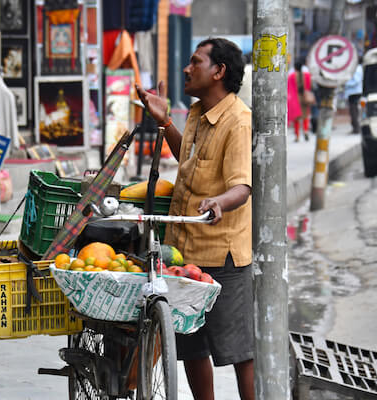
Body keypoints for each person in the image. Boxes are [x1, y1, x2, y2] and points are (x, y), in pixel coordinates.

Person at [136, 38, 253, 400]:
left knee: (238, 351)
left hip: (223, 254)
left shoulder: (238, 120)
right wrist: (164, 121)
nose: (187, 69)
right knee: (191, 344)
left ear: (218, 71)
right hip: (185, 248)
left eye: (195, 62)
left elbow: (243, 185)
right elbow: (186, 157)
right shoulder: (197, 112)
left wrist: (219, 202)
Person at [287, 60, 313, 142]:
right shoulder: (307, 75)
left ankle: (297, 136)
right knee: (305, 116)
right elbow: (309, 86)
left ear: (294, 67)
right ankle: (305, 131)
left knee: (296, 118)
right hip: (305, 97)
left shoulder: (291, 76)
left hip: (296, 98)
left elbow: (289, 89)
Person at [344, 57, 363, 134]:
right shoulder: (358, 68)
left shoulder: (357, 69)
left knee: (353, 110)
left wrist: (346, 84)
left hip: (354, 92)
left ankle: (356, 127)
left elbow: (356, 80)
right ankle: (355, 127)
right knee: (354, 109)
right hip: (354, 91)